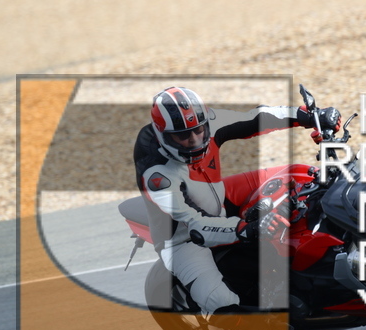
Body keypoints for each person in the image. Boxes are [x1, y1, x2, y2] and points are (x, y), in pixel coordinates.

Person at [134, 86, 341, 315]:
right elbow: (196, 224)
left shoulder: (207, 122)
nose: (194, 140)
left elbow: (255, 118)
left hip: (218, 194)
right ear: (163, 135)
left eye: (198, 131)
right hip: (183, 236)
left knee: (301, 174)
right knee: (226, 308)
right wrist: (245, 228)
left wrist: (307, 116)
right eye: (183, 136)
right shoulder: (156, 174)